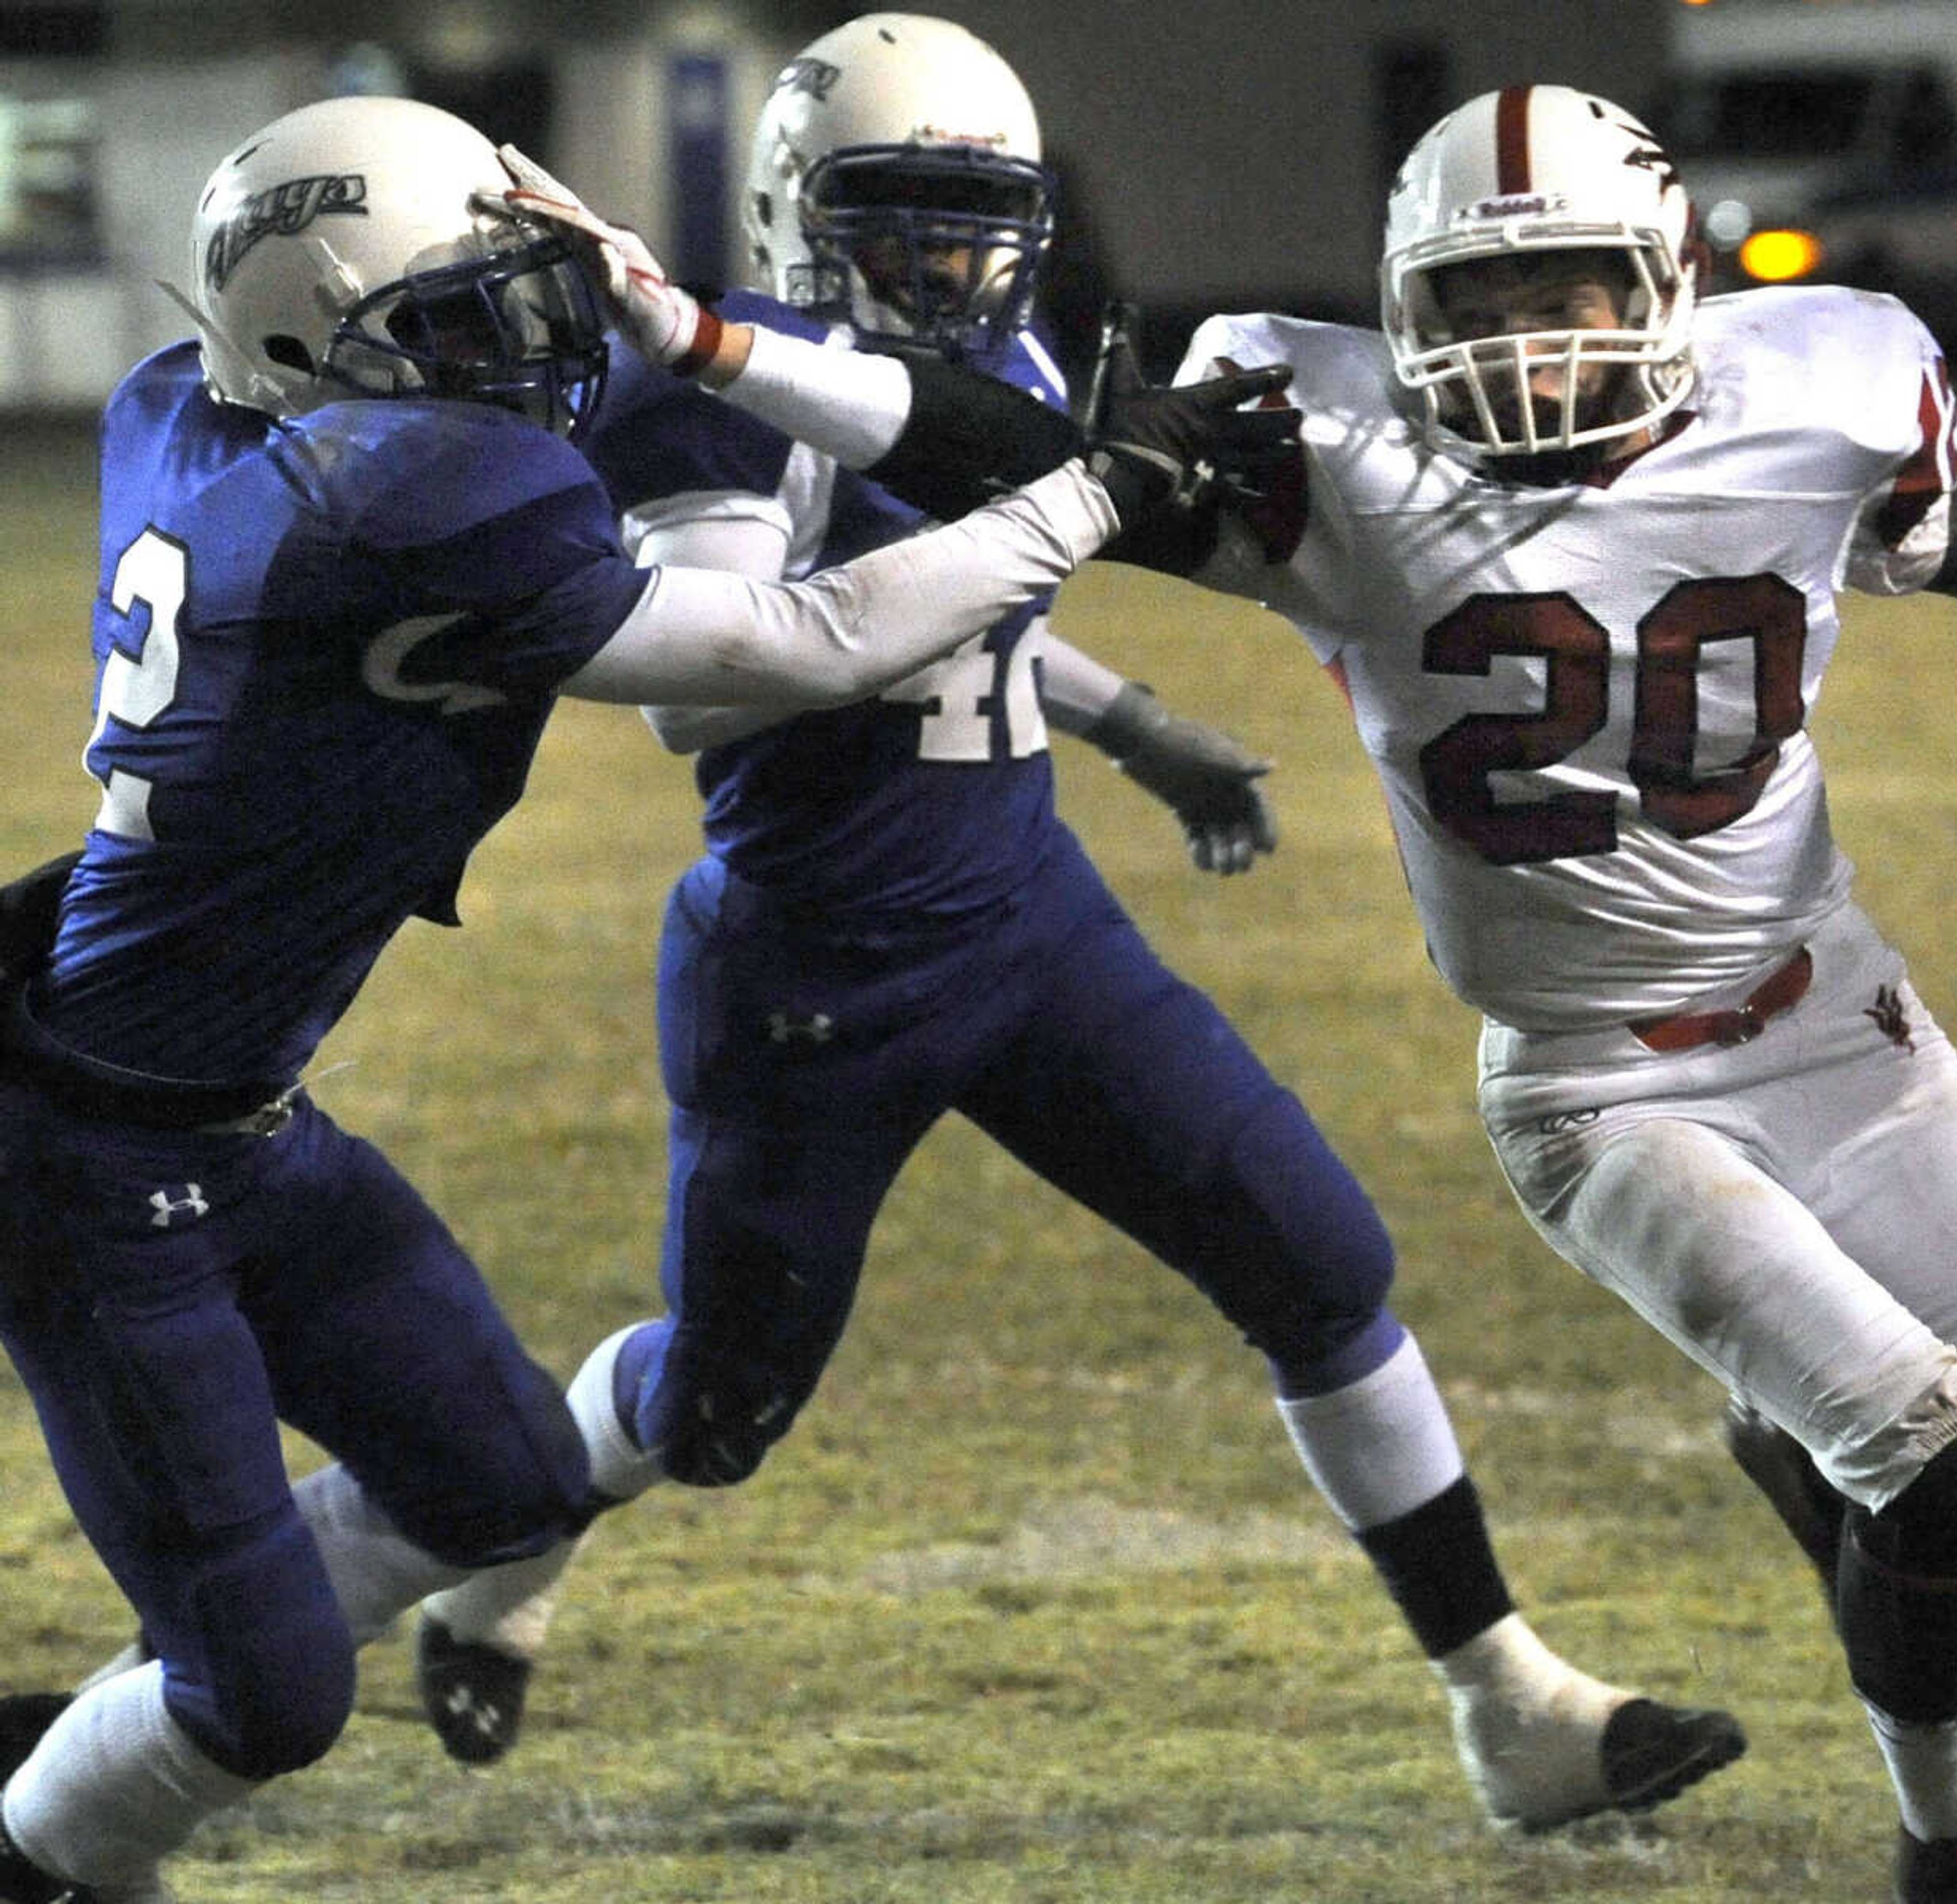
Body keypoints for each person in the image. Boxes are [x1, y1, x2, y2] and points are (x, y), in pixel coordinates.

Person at [402, 15, 1746, 1835]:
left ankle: (1510, 1700)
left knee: (1317, 1262)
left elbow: (987, 607)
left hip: (1031, 921)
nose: (945, 260)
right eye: (899, 217)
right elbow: (708, 690)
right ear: (806, 212)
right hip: (819, 961)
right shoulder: (711, 383)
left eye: (977, 217)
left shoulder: (1001, 350)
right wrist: (1045, 547)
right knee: (719, 1406)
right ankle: (503, 1560)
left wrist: (1127, 721)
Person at [0, 91, 1293, 1904]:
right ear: (317, 347)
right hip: (91, 1163)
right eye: (455, 329)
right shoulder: (404, 489)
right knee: (272, 1698)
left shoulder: (197, 411)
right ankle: (53, 1831)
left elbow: (717, 434)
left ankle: (140, 1710)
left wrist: (685, 327)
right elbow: (807, 645)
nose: (520, 354)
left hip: (234, 1106)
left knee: (511, 1483)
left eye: (507, 299)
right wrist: (1096, 486)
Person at [1155, 85, 1957, 1901]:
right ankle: (1954, 1834)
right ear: (1399, 316)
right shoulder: (1324, 459)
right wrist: (1057, 436)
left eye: (1576, 294)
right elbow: (1005, 475)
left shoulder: (1818, 402)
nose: (1533, 351)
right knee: (1936, 1456)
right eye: (1478, 306)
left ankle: (1790, 1434)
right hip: (1597, 1087)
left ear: (1675, 287)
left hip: (1838, 1024)